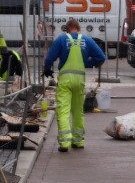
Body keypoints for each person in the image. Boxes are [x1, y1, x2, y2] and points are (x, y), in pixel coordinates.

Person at [43, 19, 106, 152]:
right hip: (79, 80)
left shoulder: (61, 39)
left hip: (65, 80)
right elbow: (101, 57)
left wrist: (47, 68)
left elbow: (49, 58)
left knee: (63, 110)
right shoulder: (87, 40)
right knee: (78, 111)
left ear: (67, 28)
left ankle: (64, 144)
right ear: (78, 28)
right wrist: (86, 63)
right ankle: (78, 141)